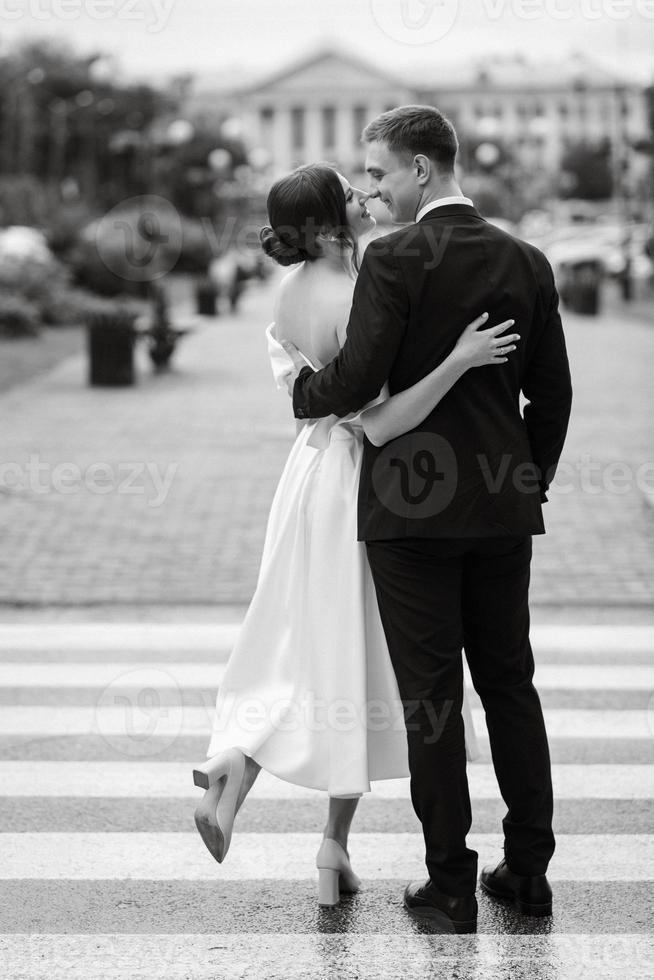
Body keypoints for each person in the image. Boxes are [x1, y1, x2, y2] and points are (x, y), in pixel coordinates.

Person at [191, 163, 520, 909]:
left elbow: (306, 394)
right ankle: (323, 834)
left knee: (311, 643)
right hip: (359, 484)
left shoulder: (291, 290)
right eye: (354, 190)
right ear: (336, 218)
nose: (366, 195)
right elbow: (379, 419)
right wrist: (460, 360)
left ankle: (249, 776)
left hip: (305, 477)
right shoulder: (354, 291)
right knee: (356, 656)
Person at [289, 107, 573, 933]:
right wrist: (531, 481)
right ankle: (527, 872)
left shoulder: (395, 258)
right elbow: (551, 392)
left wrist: (301, 393)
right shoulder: (526, 259)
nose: (368, 189)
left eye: (377, 174)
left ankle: (449, 885)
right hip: (499, 504)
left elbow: (355, 378)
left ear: (420, 169)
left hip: (410, 513)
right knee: (511, 685)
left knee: (433, 701)